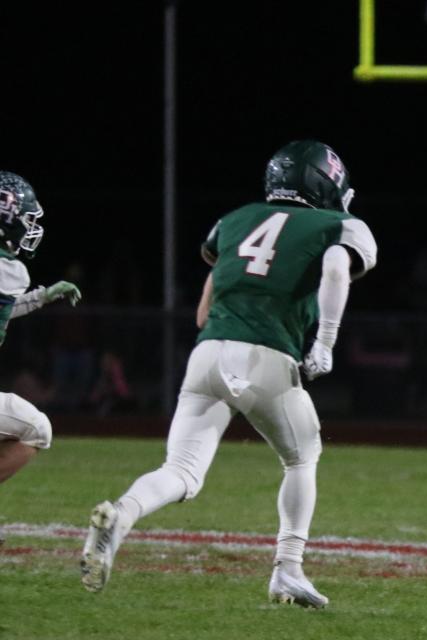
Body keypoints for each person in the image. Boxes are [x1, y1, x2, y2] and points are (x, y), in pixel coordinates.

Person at [80, 140, 377, 607]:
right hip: (266, 354)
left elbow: (203, 311)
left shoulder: (234, 220)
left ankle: (120, 516)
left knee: (180, 470)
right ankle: (288, 569)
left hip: (208, 352)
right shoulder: (338, 223)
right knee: (302, 457)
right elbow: (338, 269)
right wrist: (324, 343)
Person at [0, 171, 81, 487]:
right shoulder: (10, 270)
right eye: (26, 217)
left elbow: (3, 309)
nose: (30, 227)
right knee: (38, 429)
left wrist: (41, 297)